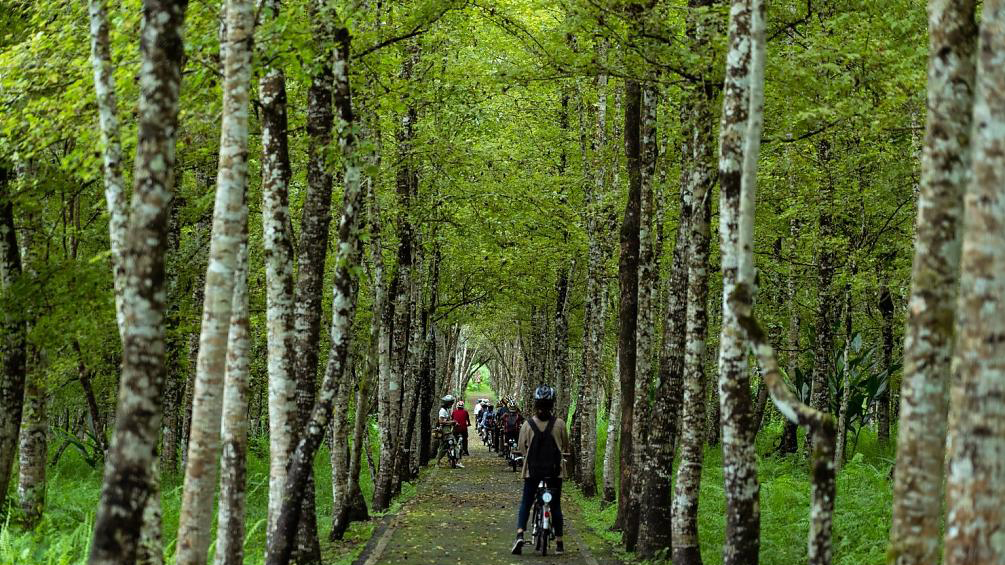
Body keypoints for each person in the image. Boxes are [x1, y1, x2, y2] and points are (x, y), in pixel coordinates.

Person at [511, 385, 569, 556]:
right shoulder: (559, 424)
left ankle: (520, 533)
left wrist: (526, 456)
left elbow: (522, 447)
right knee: (556, 505)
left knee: (526, 502)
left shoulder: (527, 425)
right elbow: (565, 445)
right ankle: (559, 543)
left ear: (536, 404)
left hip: (532, 473)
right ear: (552, 404)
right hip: (554, 473)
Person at [435, 395, 463, 468]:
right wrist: (451, 423)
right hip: (445, 431)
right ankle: (456, 461)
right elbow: (441, 421)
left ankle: (438, 462)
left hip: (448, 430)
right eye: (451, 403)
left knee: (443, 447)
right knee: (453, 444)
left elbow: (447, 420)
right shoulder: (442, 411)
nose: (451, 404)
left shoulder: (447, 410)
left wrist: (454, 422)